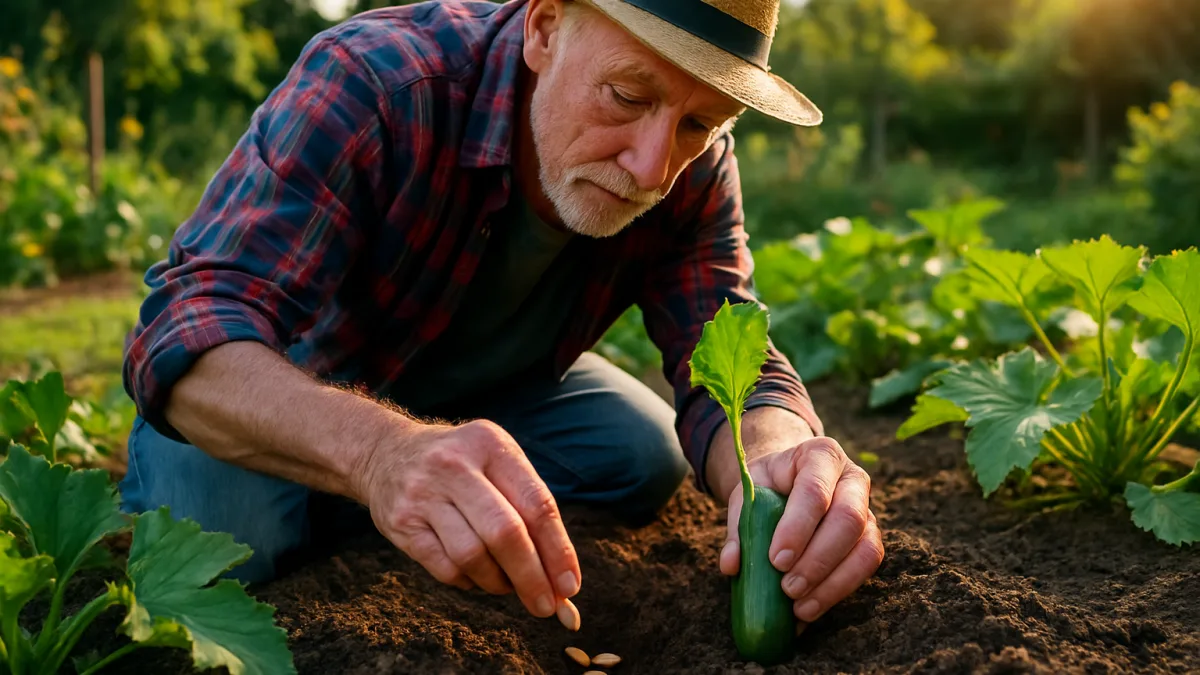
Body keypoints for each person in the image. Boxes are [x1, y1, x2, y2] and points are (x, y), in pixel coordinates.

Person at [119, 0, 884, 627]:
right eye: (627, 95)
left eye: (698, 123)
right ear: (546, 27)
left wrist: (782, 449)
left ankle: (402, 491)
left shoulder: (695, 167)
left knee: (642, 454)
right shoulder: (377, 82)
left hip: (483, 396)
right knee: (229, 546)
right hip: (292, 390)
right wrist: (381, 456)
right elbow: (187, 332)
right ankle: (355, 489)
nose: (653, 165)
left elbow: (722, 337)